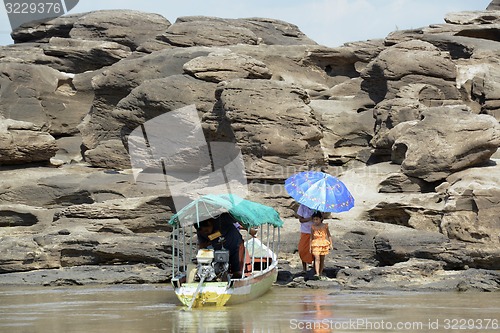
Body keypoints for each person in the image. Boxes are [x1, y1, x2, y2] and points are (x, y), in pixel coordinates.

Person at [195, 213, 256, 278]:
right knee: (219, 271)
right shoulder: (201, 232)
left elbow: (239, 219)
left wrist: (249, 229)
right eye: (203, 232)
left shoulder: (222, 218)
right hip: (219, 253)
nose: (206, 233)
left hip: (235, 246)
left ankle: (238, 279)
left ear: (210, 223)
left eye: (206, 230)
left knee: (237, 271)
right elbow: (202, 246)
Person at [309, 211, 333, 279]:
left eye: (317, 219)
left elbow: (329, 235)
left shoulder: (325, 226)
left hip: (323, 243)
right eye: (314, 219)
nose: (315, 221)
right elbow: (311, 237)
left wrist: (331, 244)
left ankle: (320, 272)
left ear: (321, 219)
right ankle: (317, 273)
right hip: (315, 243)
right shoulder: (313, 227)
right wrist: (310, 247)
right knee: (317, 258)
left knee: (322, 259)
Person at [296, 204, 314, 272]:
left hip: (315, 231)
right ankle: (304, 268)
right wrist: (310, 218)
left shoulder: (317, 206)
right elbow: (301, 220)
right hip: (305, 231)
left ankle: (315, 267)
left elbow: (320, 219)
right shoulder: (302, 206)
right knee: (302, 249)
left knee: (315, 250)